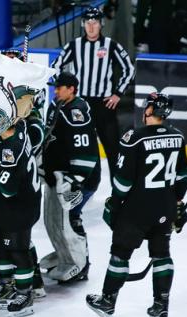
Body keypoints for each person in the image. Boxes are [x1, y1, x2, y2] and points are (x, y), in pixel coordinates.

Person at [86, 92, 187, 317]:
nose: (145, 110)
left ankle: (108, 301)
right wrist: (178, 202)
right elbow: (182, 177)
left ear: (151, 111)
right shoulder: (177, 136)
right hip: (164, 208)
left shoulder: (134, 137)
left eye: (148, 107)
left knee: (121, 253)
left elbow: (122, 182)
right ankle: (161, 305)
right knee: (162, 254)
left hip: (137, 210)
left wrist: (114, 202)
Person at [51, 7, 134, 185]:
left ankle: (118, 192)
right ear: (83, 24)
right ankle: (78, 186)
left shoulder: (111, 45)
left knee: (113, 150)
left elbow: (129, 68)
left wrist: (118, 93)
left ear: (101, 24)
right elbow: (55, 66)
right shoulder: (74, 45)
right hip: (80, 106)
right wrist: (66, 90)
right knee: (78, 149)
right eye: (87, 23)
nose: (91, 26)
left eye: (94, 22)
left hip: (104, 106)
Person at [0, 99, 43, 317]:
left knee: (18, 250)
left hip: (19, 207)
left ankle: (25, 294)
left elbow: (7, 189)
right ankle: (8, 286)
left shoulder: (10, 150)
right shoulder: (20, 129)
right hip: (20, 202)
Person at [41, 72, 100, 283]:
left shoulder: (78, 112)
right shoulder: (57, 105)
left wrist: (76, 181)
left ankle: (81, 265)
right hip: (57, 176)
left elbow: (87, 151)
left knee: (71, 218)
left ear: (72, 89)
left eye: (60, 87)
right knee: (53, 220)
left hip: (76, 179)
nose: (55, 90)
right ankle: (65, 254)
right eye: (55, 87)